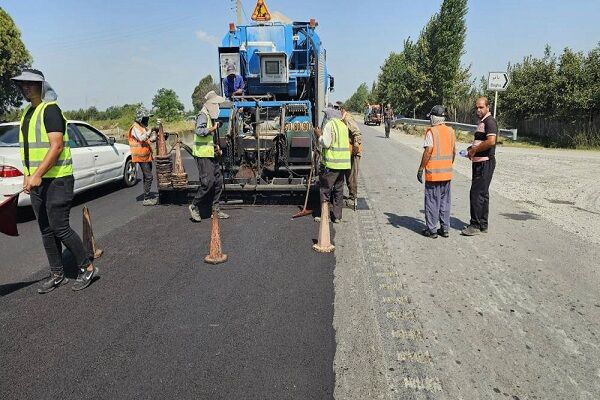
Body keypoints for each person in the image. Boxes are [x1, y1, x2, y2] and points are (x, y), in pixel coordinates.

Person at [11, 69, 97, 293]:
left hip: (57, 180)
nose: (26, 88)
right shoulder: (28, 113)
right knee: (46, 229)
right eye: (23, 85)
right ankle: (57, 273)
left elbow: (56, 146)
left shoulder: (51, 111)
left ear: (42, 86)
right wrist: (28, 175)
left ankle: (87, 267)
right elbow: (29, 149)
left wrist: (37, 174)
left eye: (31, 84)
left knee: (60, 227)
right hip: (39, 181)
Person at [189, 90, 230, 222]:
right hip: (202, 155)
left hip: (210, 153)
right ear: (210, 104)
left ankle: (215, 210)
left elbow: (208, 140)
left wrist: (216, 148)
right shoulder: (202, 115)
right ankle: (194, 206)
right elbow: (199, 131)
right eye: (215, 104)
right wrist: (212, 129)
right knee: (208, 183)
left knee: (218, 181)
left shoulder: (209, 117)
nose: (217, 107)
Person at [417, 105, 456, 238]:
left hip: (434, 175)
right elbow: (453, 152)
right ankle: (445, 229)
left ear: (433, 118)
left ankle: (432, 230)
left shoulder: (431, 132)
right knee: (445, 202)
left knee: (432, 202)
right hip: (447, 174)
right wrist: (447, 166)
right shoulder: (451, 131)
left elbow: (428, 151)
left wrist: (421, 168)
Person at [461, 97, 497, 236]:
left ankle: (475, 225)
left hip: (485, 162)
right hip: (479, 161)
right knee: (483, 193)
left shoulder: (490, 121)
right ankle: (483, 224)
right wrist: (471, 148)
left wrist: (475, 150)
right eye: (476, 107)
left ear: (488, 107)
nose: (478, 110)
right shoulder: (481, 122)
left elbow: (491, 141)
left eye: (481, 107)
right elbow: (481, 141)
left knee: (476, 193)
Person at [314, 107, 351, 223]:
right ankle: (337, 216)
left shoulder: (330, 124)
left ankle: (325, 216)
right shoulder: (343, 125)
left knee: (325, 190)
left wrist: (319, 135)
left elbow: (326, 143)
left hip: (332, 164)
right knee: (339, 190)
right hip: (343, 165)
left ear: (328, 116)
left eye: (325, 116)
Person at [128, 107, 158, 206]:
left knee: (147, 176)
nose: (147, 120)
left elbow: (148, 140)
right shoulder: (135, 127)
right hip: (140, 156)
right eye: (146, 118)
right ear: (140, 118)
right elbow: (142, 138)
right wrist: (151, 130)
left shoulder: (142, 127)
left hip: (146, 155)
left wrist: (156, 135)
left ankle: (147, 196)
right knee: (149, 177)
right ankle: (147, 198)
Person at [335, 101, 362, 209]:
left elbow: (357, 133)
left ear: (342, 110)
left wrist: (355, 148)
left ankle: (353, 198)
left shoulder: (347, 118)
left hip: (354, 152)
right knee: (347, 174)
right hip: (348, 152)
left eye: (338, 109)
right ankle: (351, 196)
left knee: (352, 176)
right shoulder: (342, 119)